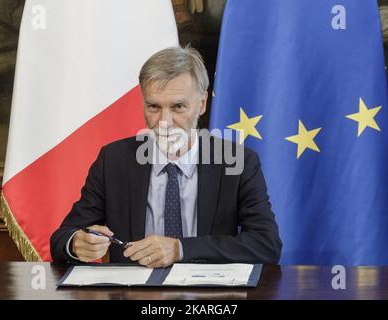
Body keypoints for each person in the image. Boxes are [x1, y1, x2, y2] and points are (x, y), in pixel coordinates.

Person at [50, 46, 282, 268]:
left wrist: (180, 249)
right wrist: (77, 243)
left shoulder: (236, 161)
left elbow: (266, 245)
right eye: (153, 107)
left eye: (178, 107)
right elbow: (62, 239)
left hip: (208, 295)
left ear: (202, 104)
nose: (164, 122)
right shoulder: (113, 160)